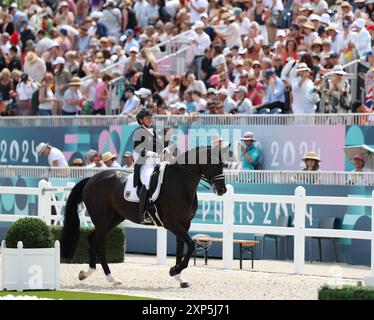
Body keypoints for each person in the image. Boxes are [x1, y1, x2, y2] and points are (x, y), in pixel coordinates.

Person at [133, 108, 164, 224]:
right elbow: (137, 150)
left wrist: (165, 151)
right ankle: (143, 213)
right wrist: (150, 153)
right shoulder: (139, 132)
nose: (150, 120)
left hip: (158, 162)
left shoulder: (154, 132)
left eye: (151, 118)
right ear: (141, 120)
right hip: (145, 164)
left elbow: (160, 147)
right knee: (147, 181)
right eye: (147, 118)